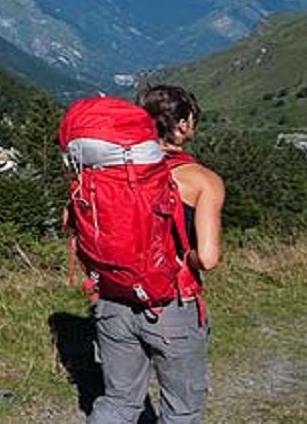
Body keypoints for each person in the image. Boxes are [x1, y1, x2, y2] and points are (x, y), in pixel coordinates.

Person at [89, 84, 225, 424]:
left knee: (119, 403)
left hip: (114, 299)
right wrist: (185, 257)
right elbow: (208, 258)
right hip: (172, 305)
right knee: (181, 409)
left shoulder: (109, 169)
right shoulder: (202, 180)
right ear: (183, 124)